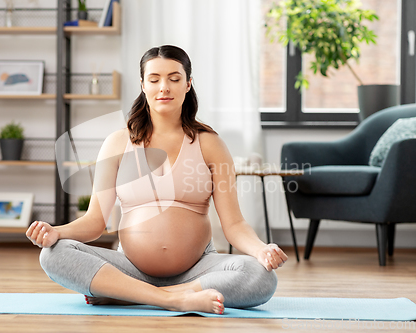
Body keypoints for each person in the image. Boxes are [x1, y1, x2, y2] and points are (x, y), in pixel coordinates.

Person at [26, 45, 287, 315]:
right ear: (142, 85)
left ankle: (129, 294)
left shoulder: (210, 144)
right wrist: (58, 232)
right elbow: (94, 223)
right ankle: (173, 300)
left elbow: (234, 224)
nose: (164, 87)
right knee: (53, 253)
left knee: (260, 275)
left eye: (174, 79)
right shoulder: (117, 143)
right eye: (154, 79)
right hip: (129, 268)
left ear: (188, 84)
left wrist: (261, 249)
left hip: (197, 271)